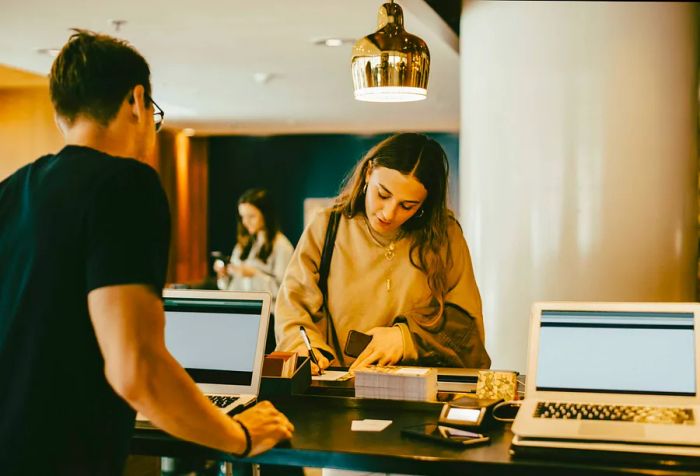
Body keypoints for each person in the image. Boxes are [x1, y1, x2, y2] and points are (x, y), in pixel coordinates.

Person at [0, 31, 292, 475]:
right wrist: (239, 436)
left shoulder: (12, 190)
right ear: (136, 101)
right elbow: (137, 367)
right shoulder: (126, 185)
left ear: (61, 111)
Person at [275, 133, 490, 374]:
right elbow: (293, 307)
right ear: (368, 172)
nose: (388, 213)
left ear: (425, 204)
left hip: (422, 392)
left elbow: (467, 329)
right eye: (383, 194)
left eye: (407, 206)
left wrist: (406, 340)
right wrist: (305, 349)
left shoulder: (445, 236)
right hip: (340, 387)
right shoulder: (326, 226)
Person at [214, 188, 294, 307]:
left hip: (267, 315)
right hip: (239, 310)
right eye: (242, 216)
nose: (245, 222)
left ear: (266, 215)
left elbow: (285, 292)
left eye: (251, 216)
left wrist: (253, 274)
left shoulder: (282, 246)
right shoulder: (242, 246)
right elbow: (229, 289)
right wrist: (223, 275)